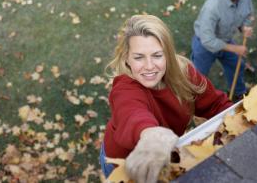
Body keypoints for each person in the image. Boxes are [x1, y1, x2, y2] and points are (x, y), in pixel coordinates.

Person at [100, 14, 233, 183]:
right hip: (123, 164)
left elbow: (217, 104)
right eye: (139, 57)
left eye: (157, 55)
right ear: (127, 59)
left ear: (168, 55)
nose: (149, 66)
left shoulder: (184, 73)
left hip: (163, 160)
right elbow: (132, 113)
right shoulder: (125, 88)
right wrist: (152, 136)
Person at [191, 0, 254, 101]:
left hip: (225, 39)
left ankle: (238, 93)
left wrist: (245, 27)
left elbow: (247, 16)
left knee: (237, 64)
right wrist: (235, 48)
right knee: (197, 78)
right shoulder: (212, 7)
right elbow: (208, 40)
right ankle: (192, 101)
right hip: (204, 45)